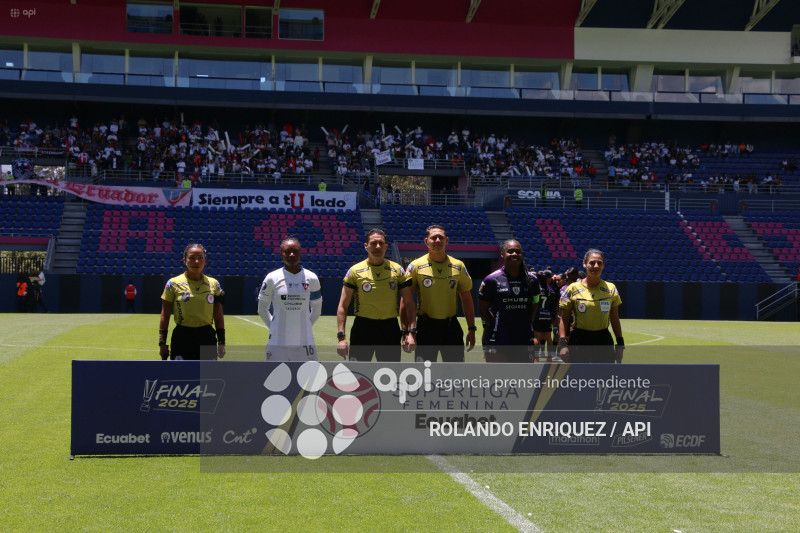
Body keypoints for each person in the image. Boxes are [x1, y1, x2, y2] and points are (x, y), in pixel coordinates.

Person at [337, 229, 417, 362]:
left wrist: (409, 332)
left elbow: (409, 303)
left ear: (386, 246)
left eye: (381, 243)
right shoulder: (355, 271)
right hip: (363, 328)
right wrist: (341, 337)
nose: (378, 247)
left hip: (389, 329)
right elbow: (342, 306)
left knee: (389, 372)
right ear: (366, 246)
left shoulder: (397, 270)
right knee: (359, 372)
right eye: (373, 243)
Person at [402, 224, 476, 362]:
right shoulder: (415, 266)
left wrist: (471, 329)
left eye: (441, 237)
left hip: (451, 327)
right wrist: (406, 332)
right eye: (433, 237)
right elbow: (406, 300)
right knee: (425, 372)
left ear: (446, 240)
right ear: (426, 241)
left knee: (455, 372)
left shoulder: (458, 266)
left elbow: (466, 298)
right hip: (426, 328)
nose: (437, 240)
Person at [258, 237, 322, 361]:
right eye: (287, 251)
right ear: (281, 254)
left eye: (295, 251)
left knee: (307, 374)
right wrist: (274, 327)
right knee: (275, 374)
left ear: (300, 253)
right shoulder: (271, 278)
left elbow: (317, 309)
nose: (291, 254)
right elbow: (262, 309)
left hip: (305, 342)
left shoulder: (312, 278)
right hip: (277, 342)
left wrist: (305, 326)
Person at [158, 244, 225, 360]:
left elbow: (218, 314)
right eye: (192, 258)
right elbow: (165, 314)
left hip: (206, 337)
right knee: (182, 372)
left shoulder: (214, 284)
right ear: (185, 260)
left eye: (200, 257)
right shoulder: (173, 283)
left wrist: (222, 342)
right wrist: (162, 343)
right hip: (182, 337)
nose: (196, 261)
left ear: (205, 260)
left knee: (206, 372)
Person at [478, 240, 540, 363]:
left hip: (524, 338)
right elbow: (482, 309)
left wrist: (527, 321)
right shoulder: (491, 280)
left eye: (518, 251)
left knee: (523, 374)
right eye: (510, 251)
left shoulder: (532, 280)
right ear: (502, 254)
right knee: (498, 374)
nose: (514, 254)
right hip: (499, 339)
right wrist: (496, 323)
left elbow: (535, 303)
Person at [557, 249, 624, 363]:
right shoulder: (572, 288)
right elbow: (564, 318)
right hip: (579, 340)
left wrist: (620, 345)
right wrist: (563, 344)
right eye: (592, 263)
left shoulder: (611, 288)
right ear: (584, 264)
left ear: (603, 265)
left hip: (603, 340)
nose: (596, 266)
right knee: (578, 374)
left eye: (599, 263)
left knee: (603, 374)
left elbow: (615, 319)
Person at [533, 269, 558, 362]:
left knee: (537, 337)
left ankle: (536, 357)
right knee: (548, 337)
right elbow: (553, 305)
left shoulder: (536, 289)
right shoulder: (550, 290)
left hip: (538, 315)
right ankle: (550, 357)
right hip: (547, 316)